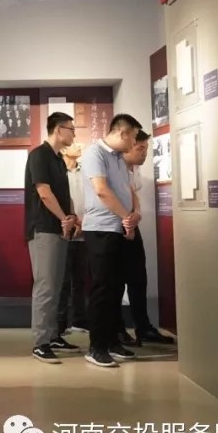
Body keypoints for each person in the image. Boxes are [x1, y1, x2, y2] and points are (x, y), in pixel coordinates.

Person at [81, 113, 142, 368]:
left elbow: (127, 190)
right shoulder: (95, 153)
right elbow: (101, 190)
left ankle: (112, 341)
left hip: (118, 228)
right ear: (122, 133)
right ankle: (96, 347)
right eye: (134, 137)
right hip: (100, 230)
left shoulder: (119, 159)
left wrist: (133, 217)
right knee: (103, 288)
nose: (134, 143)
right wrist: (127, 217)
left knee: (116, 287)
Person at [25, 112, 81, 364]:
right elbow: (44, 192)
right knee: (45, 286)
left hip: (60, 228)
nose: (74, 134)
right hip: (44, 229)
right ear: (59, 130)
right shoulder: (39, 155)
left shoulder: (58, 159)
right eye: (71, 129)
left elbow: (63, 194)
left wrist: (71, 216)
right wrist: (63, 218)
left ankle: (52, 335)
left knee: (57, 286)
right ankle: (40, 343)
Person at [120, 131, 174, 346]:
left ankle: (143, 327)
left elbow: (134, 195)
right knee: (115, 280)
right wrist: (127, 220)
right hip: (116, 226)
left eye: (146, 149)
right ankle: (117, 330)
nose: (144, 154)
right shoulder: (115, 168)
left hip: (133, 223)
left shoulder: (134, 170)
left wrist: (136, 214)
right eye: (140, 148)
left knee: (138, 277)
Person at [58, 140, 89, 337]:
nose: (79, 145)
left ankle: (80, 320)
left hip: (85, 229)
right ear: (63, 149)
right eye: (74, 142)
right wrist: (72, 221)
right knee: (62, 280)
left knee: (80, 279)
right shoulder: (59, 172)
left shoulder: (86, 171)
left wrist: (84, 223)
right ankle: (60, 324)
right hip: (65, 229)